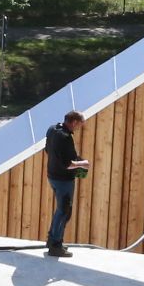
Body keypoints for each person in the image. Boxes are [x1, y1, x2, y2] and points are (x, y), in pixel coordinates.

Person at [44, 108, 89, 257]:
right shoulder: (65, 137)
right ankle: (55, 246)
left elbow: (47, 150)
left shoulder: (52, 129)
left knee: (60, 210)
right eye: (80, 124)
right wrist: (83, 164)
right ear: (74, 122)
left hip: (52, 176)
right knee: (64, 211)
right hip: (63, 180)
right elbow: (67, 164)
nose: (80, 127)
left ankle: (52, 240)